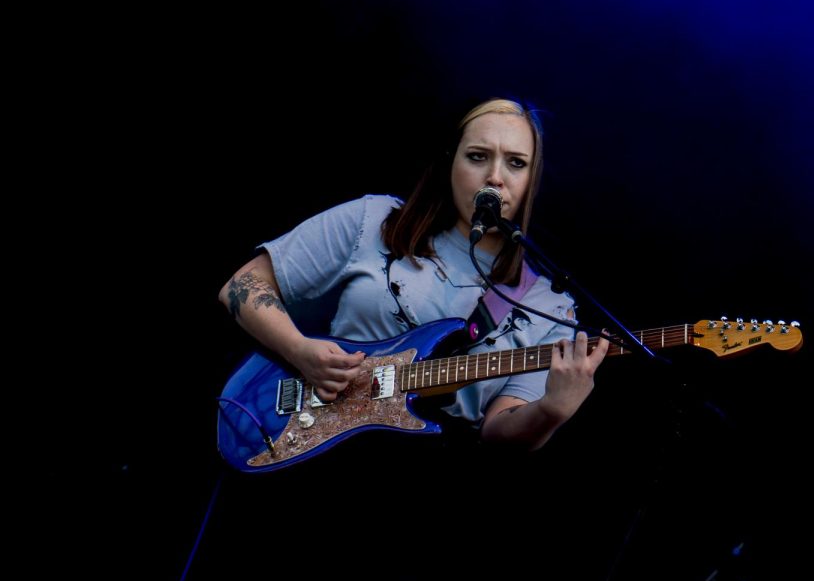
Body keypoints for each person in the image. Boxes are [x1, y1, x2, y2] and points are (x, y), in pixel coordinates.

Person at [217, 97, 608, 450]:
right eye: (477, 156)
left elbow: (498, 431)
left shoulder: (549, 306)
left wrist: (552, 410)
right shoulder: (375, 220)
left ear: (530, 183)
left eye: (516, 163)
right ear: (450, 162)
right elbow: (243, 284)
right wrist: (299, 350)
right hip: (304, 444)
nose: (495, 177)